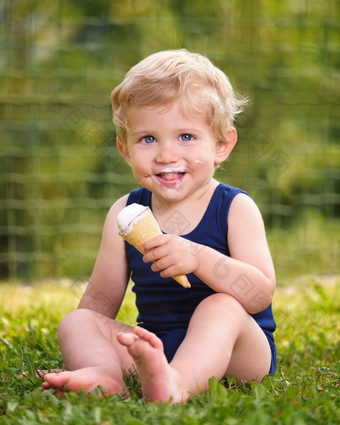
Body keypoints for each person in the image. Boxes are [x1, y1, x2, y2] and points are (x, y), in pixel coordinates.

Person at [43, 49, 276, 403]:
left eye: (186, 137)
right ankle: (105, 375)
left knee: (221, 307)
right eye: (148, 139)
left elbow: (258, 294)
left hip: (238, 354)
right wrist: (85, 344)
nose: (166, 154)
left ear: (222, 145)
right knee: (78, 321)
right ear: (125, 150)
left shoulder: (234, 208)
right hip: (157, 348)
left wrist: (198, 258)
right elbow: (102, 299)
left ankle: (177, 384)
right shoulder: (125, 212)